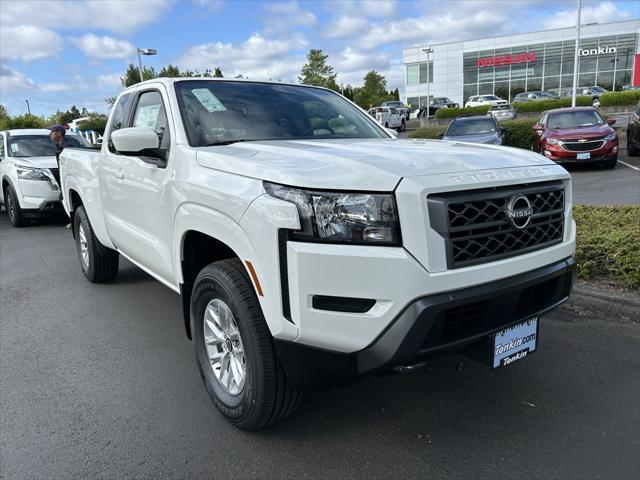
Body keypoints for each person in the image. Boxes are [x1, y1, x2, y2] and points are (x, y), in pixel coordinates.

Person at [49, 125, 71, 229]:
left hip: (69, 178)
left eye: (52, 132)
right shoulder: (61, 146)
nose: (50, 134)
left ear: (59, 133)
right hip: (65, 177)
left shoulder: (67, 147)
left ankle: (75, 220)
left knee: (65, 198)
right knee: (63, 198)